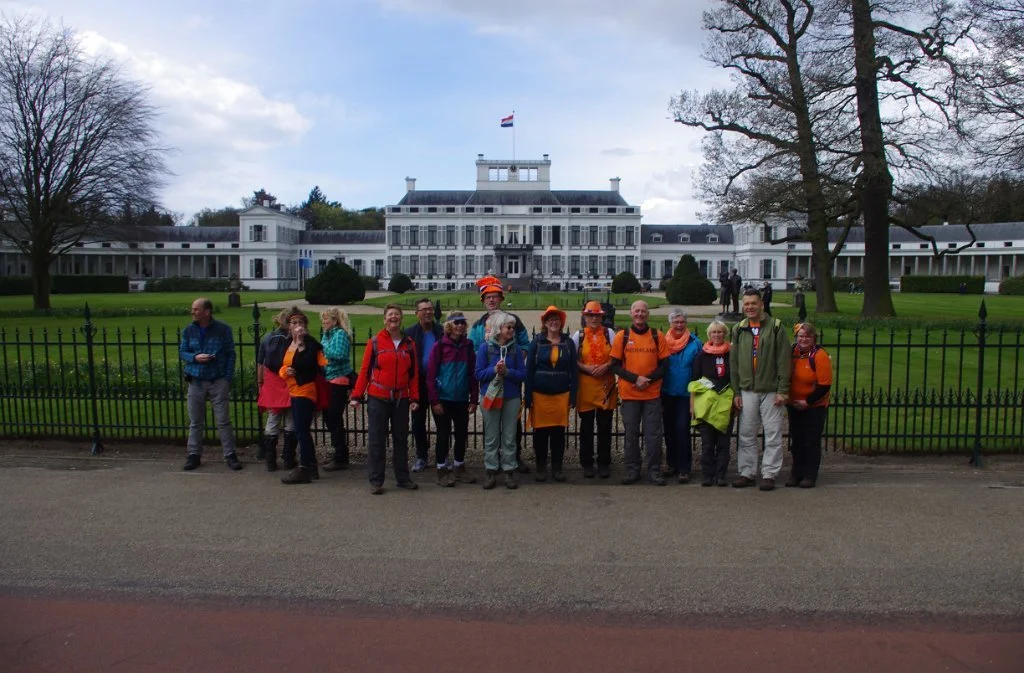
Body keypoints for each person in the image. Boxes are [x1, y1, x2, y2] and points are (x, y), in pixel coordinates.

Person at [350, 304, 420, 495]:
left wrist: (415, 397)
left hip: (401, 398)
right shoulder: (375, 342)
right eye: (390, 315)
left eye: (397, 314)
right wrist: (357, 395)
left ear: (401, 319)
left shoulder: (409, 344)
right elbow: (365, 371)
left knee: (401, 439)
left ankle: (402, 478)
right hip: (378, 397)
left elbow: (413, 374)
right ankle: (376, 480)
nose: (393, 317)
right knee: (376, 440)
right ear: (384, 319)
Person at [468, 275, 531, 474]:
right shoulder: (478, 325)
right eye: (488, 297)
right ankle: (492, 464)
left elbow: (525, 344)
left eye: (495, 296)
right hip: (490, 381)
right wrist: (489, 359)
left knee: (513, 426)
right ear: (483, 301)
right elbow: (473, 349)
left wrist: (513, 360)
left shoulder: (513, 321)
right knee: (492, 429)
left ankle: (514, 458)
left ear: (501, 299)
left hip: (510, 383)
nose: (492, 300)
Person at [730, 288, 792, 491]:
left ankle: (769, 473)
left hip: (770, 388)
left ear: (761, 305)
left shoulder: (776, 327)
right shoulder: (739, 329)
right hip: (747, 389)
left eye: (753, 303)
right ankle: (747, 472)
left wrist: (783, 389)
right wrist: (736, 391)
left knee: (772, 433)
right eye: (746, 304)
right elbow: (734, 363)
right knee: (746, 433)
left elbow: (784, 360)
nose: (749, 307)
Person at [609, 300, 671, 485]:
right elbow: (614, 365)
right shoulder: (622, 336)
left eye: (643, 311)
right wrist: (635, 379)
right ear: (631, 313)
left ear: (647, 314)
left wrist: (647, 379)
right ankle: (632, 469)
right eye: (636, 311)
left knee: (654, 435)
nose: (640, 314)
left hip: (652, 394)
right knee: (631, 434)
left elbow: (665, 365)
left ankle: (654, 470)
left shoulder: (657, 336)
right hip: (630, 394)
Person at [179, 297, 241, 472]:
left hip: (217, 380)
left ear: (207, 312)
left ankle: (230, 455)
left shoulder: (222, 330)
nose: (192, 312)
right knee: (195, 421)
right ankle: (194, 455)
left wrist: (226, 378)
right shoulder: (189, 330)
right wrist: (195, 357)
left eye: (196, 309)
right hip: (196, 380)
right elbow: (182, 351)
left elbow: (231, 354)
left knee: (223, 421)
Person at [426, 310, 479, 487]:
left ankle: (459, 466)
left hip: (461, 398)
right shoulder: (440, 345)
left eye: (462, 322)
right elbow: (431, 375)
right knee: (443, 434)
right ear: (449, 325)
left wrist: (473, 399)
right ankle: (441, 469)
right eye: (456, 323)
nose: (460, 326)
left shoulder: (468, 345)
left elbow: (472, 373)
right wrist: (434, 400)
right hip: (444, 398)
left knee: (461, 434)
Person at [525, 306, 577, 482]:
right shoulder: (537, 342)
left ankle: (557, 467)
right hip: (540, 394)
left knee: (558, 434)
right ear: (545, 323)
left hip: (561, 394)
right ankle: (541, 467)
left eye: (557, 319)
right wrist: (528, 395)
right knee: (540, 433)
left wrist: (573, 393)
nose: (554, 322)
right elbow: (529, 370)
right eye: (550, 320)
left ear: (561, 322)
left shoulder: (568, 343)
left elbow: (573, 370)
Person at [476, 311, 526, 490]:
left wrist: (508, 372)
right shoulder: (485, 348)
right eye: (508, 327)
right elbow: (478, 374)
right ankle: (491, 470)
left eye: (513, 327)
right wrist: (494, 370)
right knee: (491, 436)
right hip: (490, 396)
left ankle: (509, 470)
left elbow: (523, 374)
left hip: (511, 397)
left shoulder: (516, 350)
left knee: (509, 437)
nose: (512, 330)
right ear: (499, 328)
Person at [277, 310, 327, 485]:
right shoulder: (287, 344)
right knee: (301, 430)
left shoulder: (310, 344)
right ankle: (311, 467)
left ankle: (305, 467)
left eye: (301, 323)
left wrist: (300, 343)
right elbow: (280, 365)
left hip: (305, 390)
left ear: (305, 326)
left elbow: (308, 364)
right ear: (289, 327)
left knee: (302, 430)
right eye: (294, 323)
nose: (298, 326)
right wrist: (286, 371)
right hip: (293, 390)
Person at [570, 301, 618, 479]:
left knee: (605, 426)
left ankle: (604, 462)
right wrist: (586, 368)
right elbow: (572, 359)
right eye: (590, 315)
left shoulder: (609, 333)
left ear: (602, 317)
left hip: (606, 385)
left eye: (597, 315)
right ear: (585, 316)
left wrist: (606, 366)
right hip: (587, 384)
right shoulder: (579, 335)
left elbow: (617, 356)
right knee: (586, 427)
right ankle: (587, 463)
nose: (594, 319)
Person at [689, 321, 734, 487]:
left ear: (725, 334)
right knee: (707, 443)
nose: (717, 335)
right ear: (709, 335)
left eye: (720, 332)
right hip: (706, 406)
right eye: (713, 332)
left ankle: (721, 474)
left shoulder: (731, 354)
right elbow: (694, 382)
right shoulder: (702, 355)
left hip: (725, 405)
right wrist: (692, 406)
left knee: (723, 442)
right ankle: (707, 474)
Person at [787, 322, 832, 488]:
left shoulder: (820, 356)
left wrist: (807, 401)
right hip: (794, 404)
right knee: (797, 440)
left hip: (814, 406)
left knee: (811, 441)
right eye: (801, 336)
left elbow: (824, 385)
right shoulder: (793, 352)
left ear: (814, 338)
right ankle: (796, 473)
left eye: (807, 336)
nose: (803, 339)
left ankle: (809, 475)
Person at [661, 309, 701, 483]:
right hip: (667, 391)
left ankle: (684, 467)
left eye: (682, 322)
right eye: (676, 322)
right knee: (669, 430)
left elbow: (699, 367)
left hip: (686, 393)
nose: (679, 325)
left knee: (682, 429)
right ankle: (672, 464)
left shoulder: (695, 343)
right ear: (670, 323)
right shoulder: (663, 341)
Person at [405, 297, 444, 473]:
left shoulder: (441, 331)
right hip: (418, 382)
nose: (428, 312)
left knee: (442, 421)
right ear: (417, 313)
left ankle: (441, 456)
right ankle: (422, 455)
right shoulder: (410, 333)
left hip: (438, 382)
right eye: (424, 309)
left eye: (430, 309)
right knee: (418, 422)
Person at [257, 308, 295, 472]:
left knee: (272, 419)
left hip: (272, 382)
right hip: (290, 381)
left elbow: (261, 363)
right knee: (291, 420)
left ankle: (270, 459)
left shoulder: (268, 338)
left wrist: (260, 383)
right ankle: (288, 458)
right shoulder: (296, 338)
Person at [321, 307, 354, 472]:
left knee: (334, 419)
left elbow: (340, 354)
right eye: (323, 319)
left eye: (326, 319)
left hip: (338, 380)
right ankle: (339, 452)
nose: (324, 322)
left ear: (334, 321)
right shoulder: (327, 335)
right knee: (329, 419)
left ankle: (341, 456)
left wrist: (323, 348)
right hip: (328, 380)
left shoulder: (340, 334)